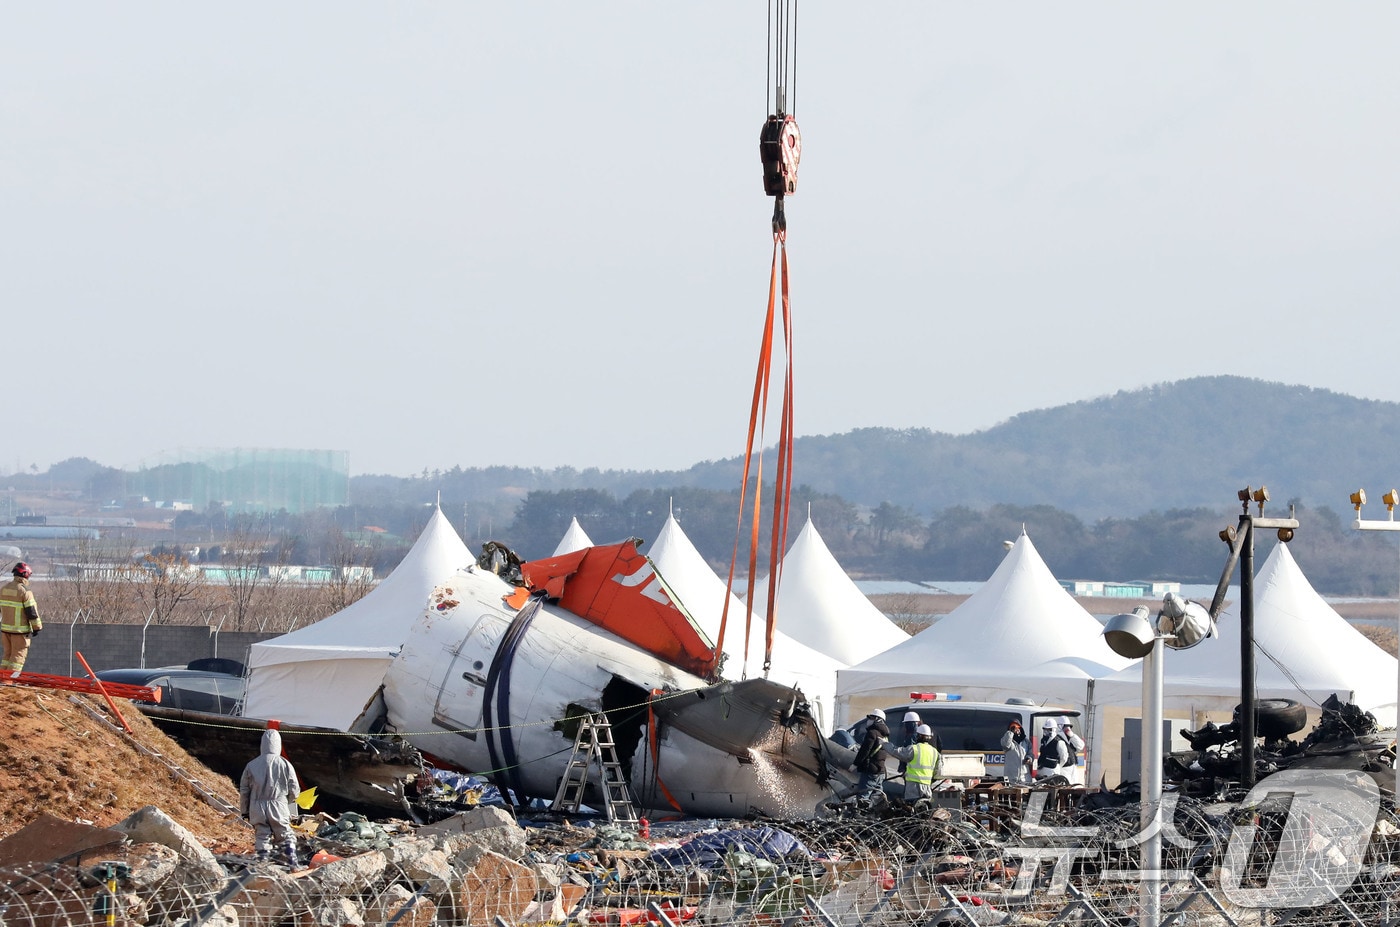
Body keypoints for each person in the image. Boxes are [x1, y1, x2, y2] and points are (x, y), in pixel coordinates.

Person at [240, 728, 302, 868]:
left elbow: (244, 791)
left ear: (262, 744)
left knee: (262, 836)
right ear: (278, 744)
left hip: (257, 807)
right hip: (278, 805)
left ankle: (262, 865)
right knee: (286, 835)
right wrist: (288, 801)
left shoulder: (251, 765)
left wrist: (245, 811)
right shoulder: (285, 764)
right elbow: (294, 789)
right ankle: (292, 864)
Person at [0, 562, 43, 677]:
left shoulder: (3, 589)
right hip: (19, 633)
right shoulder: (24, 591)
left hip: (5, 631)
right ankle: (9, 682)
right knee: (17, 658)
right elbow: (32, 612)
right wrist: (36, 628)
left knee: (7, 656)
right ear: (25, 575)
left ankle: (2, 680)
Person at [883, 723, 942, 803]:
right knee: (924, 809)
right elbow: (938, 772)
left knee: (912, 809)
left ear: (919, 736)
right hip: (927, 787)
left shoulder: (914, 749)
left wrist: (884, 744)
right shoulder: (935, 752)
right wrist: (930, 781)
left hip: (913, 786)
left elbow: (896, 752)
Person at [849, 708, 890, 805]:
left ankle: (861, 817)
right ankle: (877, 817)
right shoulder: (885, 735)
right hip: (880, 771)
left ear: (877, 719)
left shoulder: (872, 733)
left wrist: (855, 764)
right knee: (877, 798)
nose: (869, 720)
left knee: (863, 797)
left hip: (870, 771)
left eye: (871, 718)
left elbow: (865, 750)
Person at [1000, 719, 1030, 785]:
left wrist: (1029, 758)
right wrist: (1011, 732)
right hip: (1011, 778)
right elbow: (1006, 745)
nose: (1016, 729)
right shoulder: (1007, 741)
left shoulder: (1026, 742)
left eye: (1017, 727)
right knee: (1011, 794)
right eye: (1013, 727)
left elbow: (1030, 753)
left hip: (1024, 778)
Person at [1059, 717, 1085, 785]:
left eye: (1069, 727)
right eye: (1066, 726)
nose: (1067, 729)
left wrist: (1072, 736)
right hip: (1064, 769)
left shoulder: (1072, 738)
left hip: (1073, 767)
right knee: (1066, 787)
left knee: (1075, 786)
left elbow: (1081, 746)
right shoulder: (1058, 738)